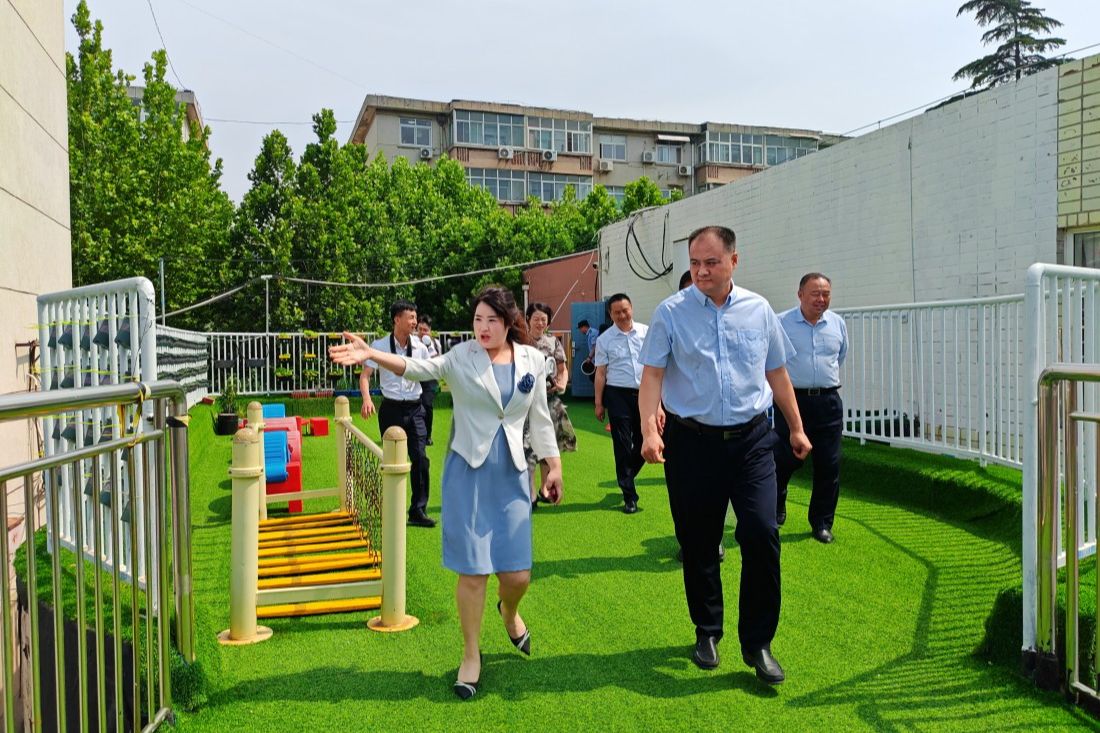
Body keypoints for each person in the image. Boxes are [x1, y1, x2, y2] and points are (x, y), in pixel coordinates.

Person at [330, 286, 563, 701]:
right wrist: (372, 355)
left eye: (492, 320)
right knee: (473, 572)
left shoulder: (532, 359)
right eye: (477, 320)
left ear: (509, 322)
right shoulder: (460, 357)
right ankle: (471, 654)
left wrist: (553, 464)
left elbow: (540, 418)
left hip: (512, 475)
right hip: (468, 474)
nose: (483, 328)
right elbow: (417, 367)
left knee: (517, 575)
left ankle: (509, 612)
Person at [638, 225, 811, 685]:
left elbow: (776, 372)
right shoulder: (671, 313)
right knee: (699, 541)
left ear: (734, 261)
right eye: (695, 263)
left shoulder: (759, 311)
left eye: (711, 262)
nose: (701, 271)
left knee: (761, 531)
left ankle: (758, 642)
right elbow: (652, 376)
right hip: (691, 443)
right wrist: (649, 430)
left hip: (752, 441)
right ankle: (707, 630)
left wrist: (795, 427)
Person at [774, 273, 848, 544]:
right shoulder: (782, 323)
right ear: (800, 294)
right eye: (815, 293)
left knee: (829, 464)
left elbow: (840, 356)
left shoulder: (837, 323)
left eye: (826, 294)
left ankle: (821, 522)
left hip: (828, 402)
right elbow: (773, 362)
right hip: (792, 401)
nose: (821, 299)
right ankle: (777, 500)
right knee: (784, 460)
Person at [359, 299, 435, 528]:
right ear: (397, 319)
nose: (415, 322)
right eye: (410, 317)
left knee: (420, 458)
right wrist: (367, 399)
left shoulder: (421, 348)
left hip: (416, 409)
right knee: (392, 462)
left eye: (415, 317)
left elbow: (429, 374)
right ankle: (390, 509)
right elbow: (365, 376)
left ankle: (418, 510)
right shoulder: (379, 345)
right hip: (391, 409)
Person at [594, 293, 648, 514]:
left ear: (631, 308)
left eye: (625, 310)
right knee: (623, 444)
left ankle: (626, 475)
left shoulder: (646, 333)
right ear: (610, 315)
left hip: (644, 394)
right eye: (617, 312)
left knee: (645, 440)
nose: (622, 315)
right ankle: (629, 496)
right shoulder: (604, 340)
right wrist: (599, 402)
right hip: (617, 395)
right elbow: (600, 373)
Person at [524, 303, 577, 509]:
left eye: (544, 320)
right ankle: (530, 493)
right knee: (528, 446)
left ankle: (545, 489)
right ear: (528, 319)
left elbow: (562, 369)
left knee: (549, 444)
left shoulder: (553, 342)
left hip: (549, 399)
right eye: (536, 319)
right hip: (525, 402)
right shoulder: (520, 341)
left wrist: (562, 383)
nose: (540, 323)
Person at [416, 314, 442, 446]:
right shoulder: (413, 342)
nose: (422, 332)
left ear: (430, 330)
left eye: (425, 330)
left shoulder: (436, 344)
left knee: (427, 405)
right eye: (420, 329)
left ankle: (428, 436)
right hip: (416, 378)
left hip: (430, 379)